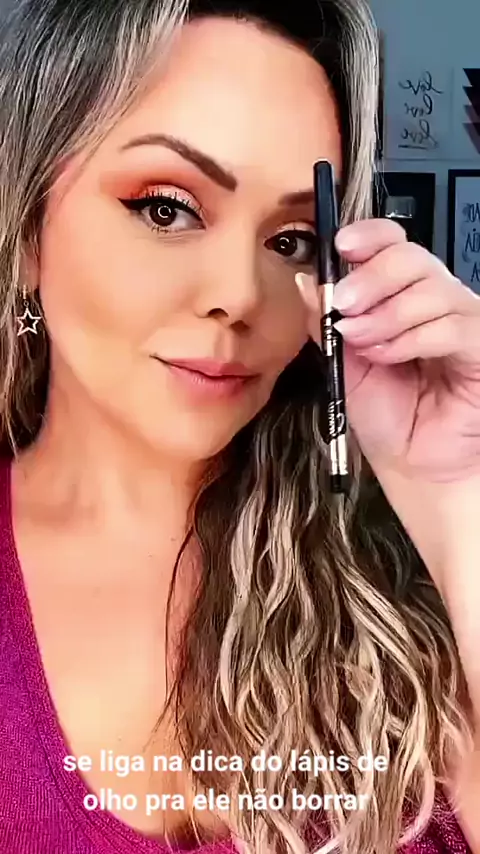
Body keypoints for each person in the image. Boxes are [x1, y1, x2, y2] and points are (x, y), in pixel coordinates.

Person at [0, 0, 479, 852]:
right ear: (30, 226)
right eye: (165, 208)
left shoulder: (409, 570)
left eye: (292, 240)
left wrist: (456, 496)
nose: (241, 296)